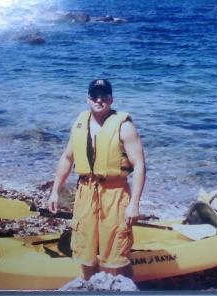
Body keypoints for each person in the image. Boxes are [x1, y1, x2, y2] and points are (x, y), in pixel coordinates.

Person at [48, 79, 146, 280]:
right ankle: (89, 290)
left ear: (111, 99)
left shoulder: (125, 127)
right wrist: (55, 191)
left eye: (104, 96)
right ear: (88, 98)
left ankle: (122, 290)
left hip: (115, 194)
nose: (99, 100)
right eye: (95, 95)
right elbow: (67, 158)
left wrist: (134, 204)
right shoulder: (80, 123)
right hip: (85, 193)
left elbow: (139, 166)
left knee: (116, 252)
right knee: (85, 252)